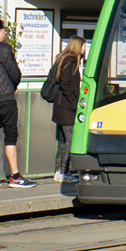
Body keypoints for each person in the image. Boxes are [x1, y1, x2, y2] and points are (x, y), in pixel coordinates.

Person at [0, 19, 35, 188]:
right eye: (3, 31)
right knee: (11, 135)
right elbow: (15, 72)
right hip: (5, 98)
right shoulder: (3, 49)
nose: (4, 33)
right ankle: (15, 177)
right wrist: (14, 85)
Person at [51, 36, 87, 184]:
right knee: (69, 140)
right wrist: (74, 102)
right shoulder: (70, 61)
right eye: (84, 46)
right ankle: (63, 171)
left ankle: (59, 171)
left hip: (61, 107)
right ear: (78, 46)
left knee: (63, 141)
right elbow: (66, 84)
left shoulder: (63, 59)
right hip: (67, 108)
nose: (85, 49)